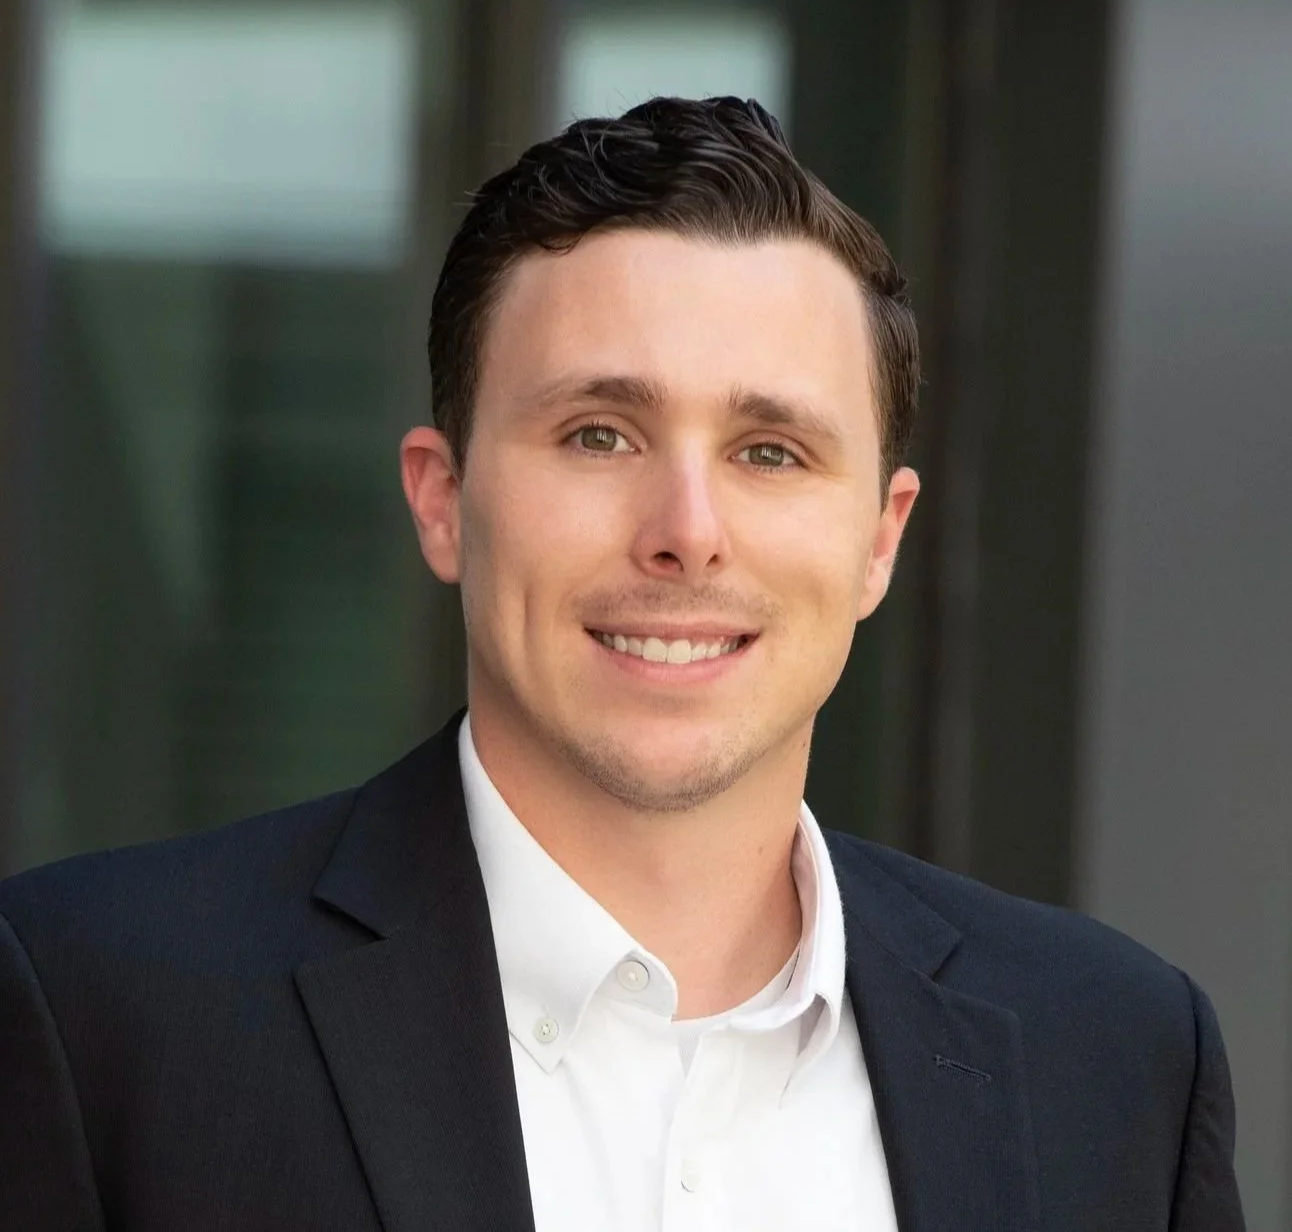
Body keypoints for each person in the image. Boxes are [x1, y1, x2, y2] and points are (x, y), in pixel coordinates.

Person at [0, 97, 1242, 1231]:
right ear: (442, 501)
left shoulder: (1116, 1057)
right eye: (599, 433)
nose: (685, 529)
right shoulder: (97, 1010)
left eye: (769, 451)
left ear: (879, 539)